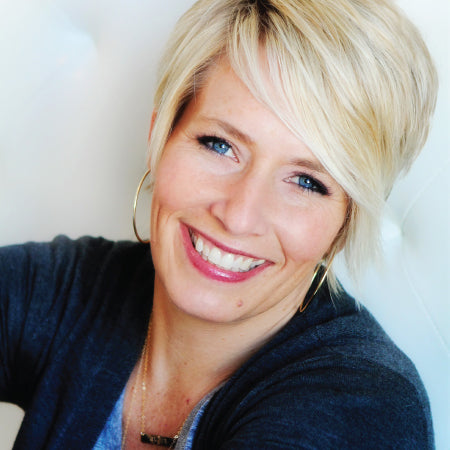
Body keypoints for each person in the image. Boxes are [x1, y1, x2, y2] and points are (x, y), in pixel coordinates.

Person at [0, 0, 438, 448]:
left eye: (307, 182)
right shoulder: (80, 290)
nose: (239, 215)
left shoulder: (365, 405)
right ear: (159, 137)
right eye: (220, 145)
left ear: (345, 223)